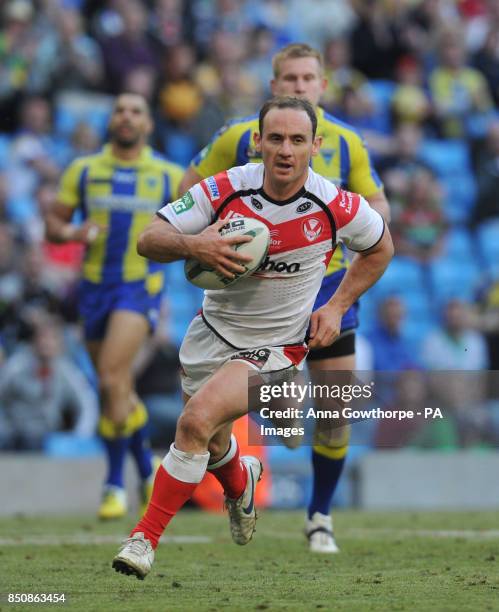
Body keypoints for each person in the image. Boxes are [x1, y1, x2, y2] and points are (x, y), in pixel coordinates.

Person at [111, 96, 393, 579]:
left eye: (298, 140)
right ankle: (241, 482)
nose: (286, 150)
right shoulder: (225, 188)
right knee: (214, 440)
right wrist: (194, 243)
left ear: (315, 145)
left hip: (278, 348)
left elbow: (382, 246)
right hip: (211, 333)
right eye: (276, 138)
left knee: (194, 423)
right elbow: (149, 238)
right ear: (257, 142)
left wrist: (336, 306)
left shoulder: (333, 203)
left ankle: (143, 539)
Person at [178, 43, 390, 553]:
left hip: (326, 283)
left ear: (322, 86)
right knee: (216, 416)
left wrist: (339, 299)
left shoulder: (347, 144)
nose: (299, 86)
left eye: (308, 78)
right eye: (290, 79)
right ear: (274, 87)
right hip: (255, 288)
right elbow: (188, 188)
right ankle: (272, 403)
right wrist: (218, 248)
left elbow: (379, 210)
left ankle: (319, 515)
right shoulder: (237, 137)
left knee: (337, 406)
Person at [45, 92, 184, 520]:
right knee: (117, 391)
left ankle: (113, 485)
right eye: (120, 110)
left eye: (136, 111)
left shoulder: (169, 175)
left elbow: (198, 225)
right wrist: (72, 233)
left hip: (138, 289)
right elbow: (53, 225)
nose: (127, 117)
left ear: (147, 124)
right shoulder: (84, 170)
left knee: (109, 378)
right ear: (111, 122)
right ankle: (147, 469)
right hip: (93, 289)